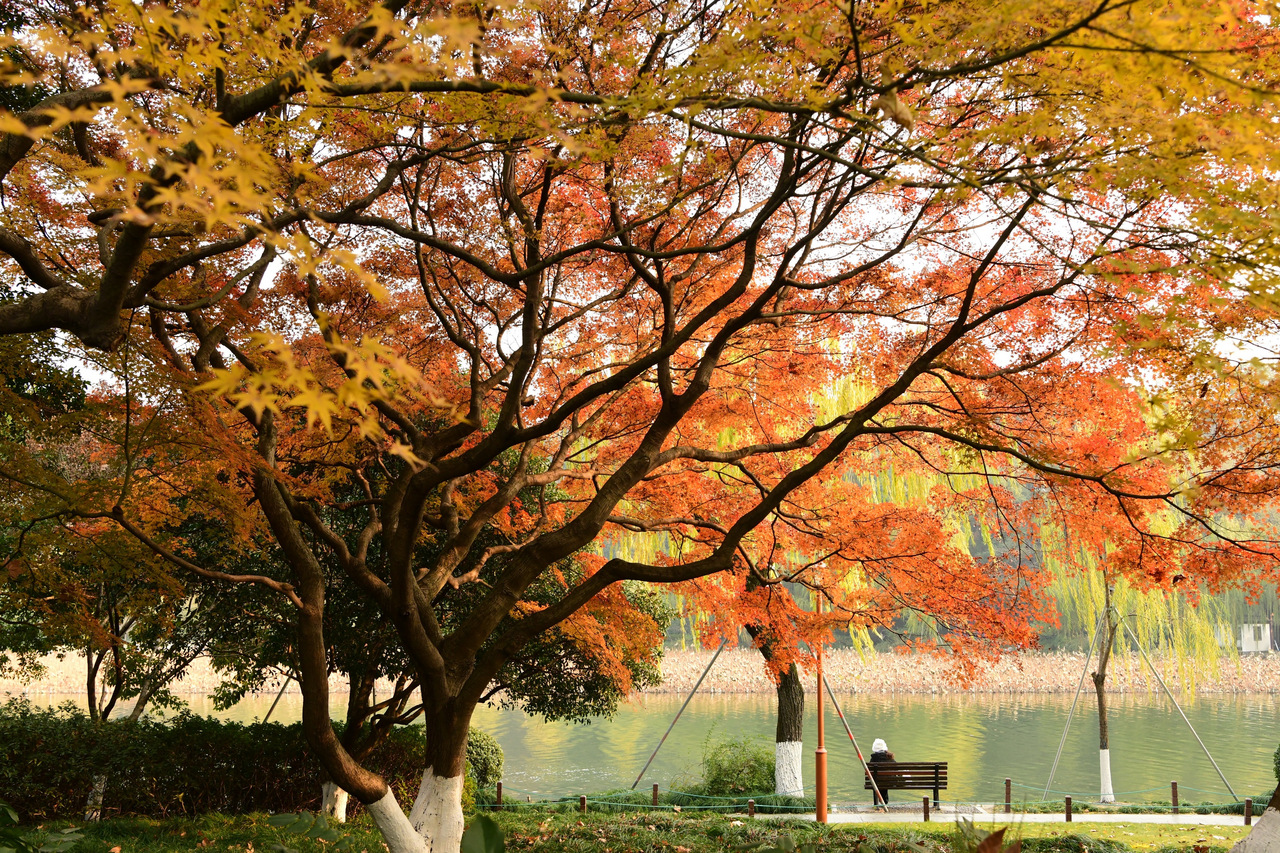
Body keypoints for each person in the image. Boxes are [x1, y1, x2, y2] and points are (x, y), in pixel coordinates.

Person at [868, 738, 895, 807]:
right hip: (889, 782)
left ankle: (877, 803)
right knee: (885, 779)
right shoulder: (889, 757)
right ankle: (885, 801)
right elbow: (896, 769)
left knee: (877, 781)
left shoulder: (873, 758)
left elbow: (869, 771)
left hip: (877, 782)